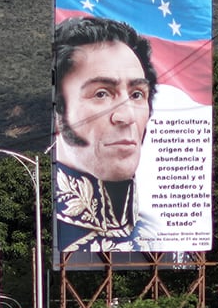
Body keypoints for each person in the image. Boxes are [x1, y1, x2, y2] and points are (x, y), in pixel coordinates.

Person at [52, 16, 156, 253]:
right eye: (101, 94)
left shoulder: (161, 236)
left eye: (137, 94)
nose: (126, 116)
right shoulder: (49, 232)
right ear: (58, 111)